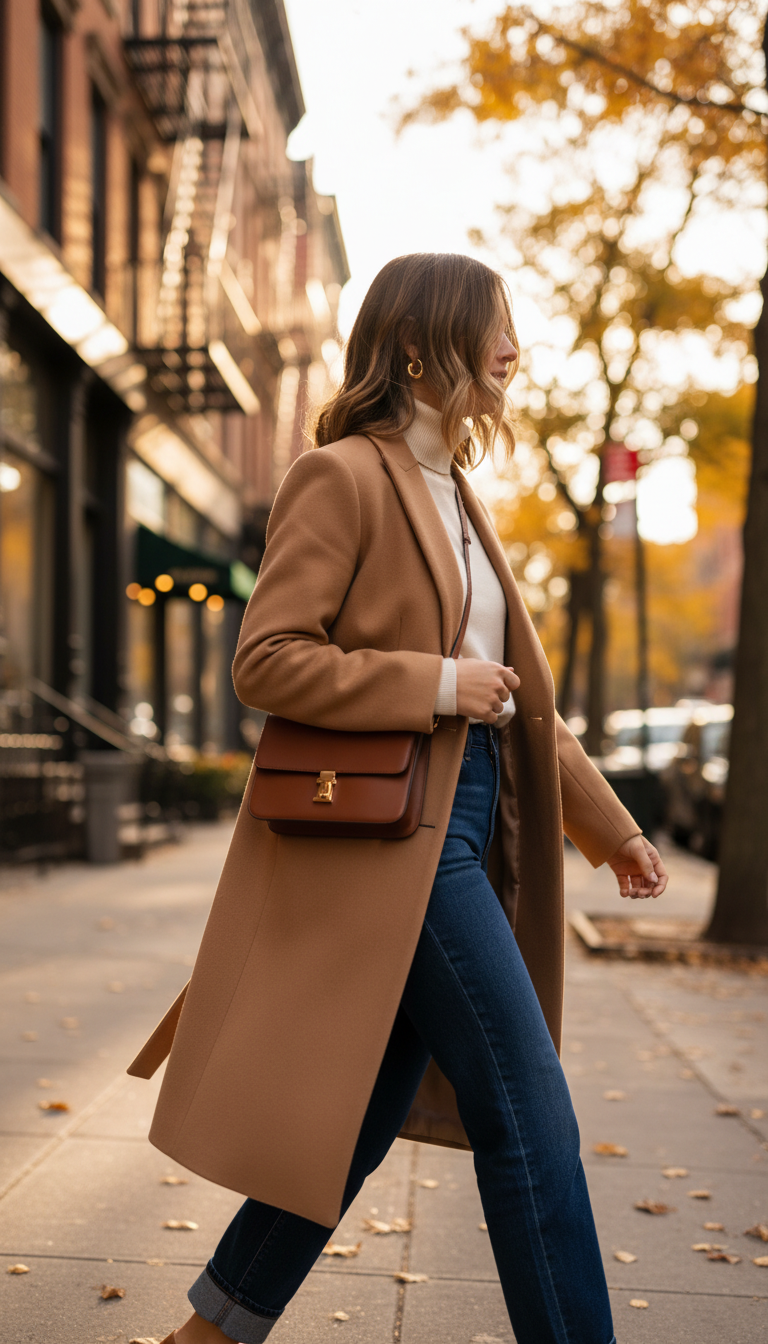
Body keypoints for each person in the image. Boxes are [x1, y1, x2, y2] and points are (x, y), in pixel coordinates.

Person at [130, 253, 668, 1344]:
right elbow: (266, 659)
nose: (513, 351)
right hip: (396, 835)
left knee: (361, 1113)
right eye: (493, 328)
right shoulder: (341, 476)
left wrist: (611, 828)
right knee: (527, 1109)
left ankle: (210, 1333)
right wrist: (432, 685)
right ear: (419, 348)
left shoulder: (462, 497)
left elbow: (517, 702)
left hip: (467, 819)